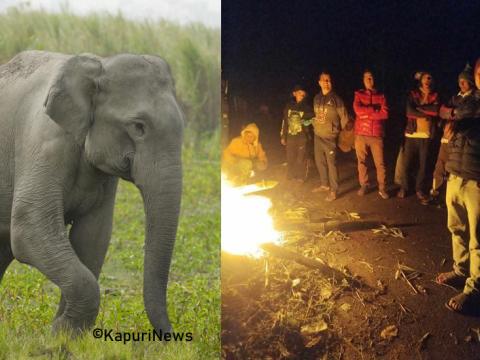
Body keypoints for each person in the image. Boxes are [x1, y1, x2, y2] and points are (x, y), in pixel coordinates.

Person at [435, 58, 480, 315]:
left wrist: (453, 114)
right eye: (479, 72)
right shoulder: (466, 99)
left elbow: (455, 112)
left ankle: (474, 289)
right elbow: (443, 110)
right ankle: (461, 271)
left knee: (478, 239)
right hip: (456, 174)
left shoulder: (470, 102)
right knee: (456, 228)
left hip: (477, 178)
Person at [430, 64, 475, 200]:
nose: (460, 84)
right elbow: (442, 111)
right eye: (459, 81)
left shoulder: (473, 100)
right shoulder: (455, 98)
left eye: (464, 81)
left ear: (471, 82)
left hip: (460, 139)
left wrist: (453, 114)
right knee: (440, 165)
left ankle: (450, 195)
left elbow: (466, 114)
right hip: (447, 136)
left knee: (453, 168)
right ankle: (436, 191)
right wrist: (446, 121)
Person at [394, 71, 439, 204]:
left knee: (423, 164)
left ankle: (419, 189)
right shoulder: (413, 94)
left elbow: (435, 111)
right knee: (407, 163)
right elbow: (409, 112)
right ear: (421, 80)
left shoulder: (435, 96)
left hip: (426, 135)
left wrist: (419, 109)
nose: (428, 80)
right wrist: (426, 112)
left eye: (430, 78)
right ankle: (405, 187)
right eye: (426, 78)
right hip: (411, 134)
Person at [311, 71, 351, 201]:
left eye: (328, 80)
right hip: (318, 135)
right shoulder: (316, 98)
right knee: (320, 161)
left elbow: (344, 118)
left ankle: (334, 190)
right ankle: (324, 185)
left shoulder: (336, 99)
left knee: (331, 164)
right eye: (324, 80)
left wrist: (343, 134)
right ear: (319, 82)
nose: (327, 82)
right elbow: (316, 115)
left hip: (330, 137)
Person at [353, 70, 389, 199]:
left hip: (376, 134)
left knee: (380, 163)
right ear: (363, 80)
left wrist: (366, 113)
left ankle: (382, 188)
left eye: (371, 78)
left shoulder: (382, 95)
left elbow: (384, 114)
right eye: (367, 78)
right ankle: (364, 184)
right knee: (361, 162)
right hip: (361, 134)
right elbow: (357, 110)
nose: (369, 80)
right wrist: (374, 109)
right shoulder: (358, 94)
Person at [280, 85, 314, 182]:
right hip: (290, 136)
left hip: (302, 137)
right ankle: (291, 175)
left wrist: (306, 122)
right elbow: (285, 122)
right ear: (294, 94)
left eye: (303, 94)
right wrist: (283, 136)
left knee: (301, 158)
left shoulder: (307, 108)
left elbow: (311, 120)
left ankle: (301, 176)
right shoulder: (289, 107)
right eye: (299, 93)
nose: (302, 95)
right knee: (290, 157)